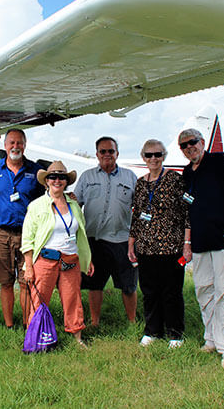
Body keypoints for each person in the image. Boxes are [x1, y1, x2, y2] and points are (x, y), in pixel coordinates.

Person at [178, 128, 224, 368]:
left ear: (202, 141)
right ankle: (211, 338)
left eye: (193, 142)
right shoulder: (187, 172)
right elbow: (188, 210)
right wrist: (187, 244)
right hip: (200, 245)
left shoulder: (220, 161)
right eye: (184, 146)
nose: (189, 148)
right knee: (204, 291)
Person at [21, 161, 94, 346]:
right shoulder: (37, 205)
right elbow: (27, 239)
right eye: (53, 177)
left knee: (73, 299)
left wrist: (88, 259)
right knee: (39, 301)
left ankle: (77, 336)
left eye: (61, 177)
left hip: (70, 260)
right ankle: (35, 338)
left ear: (66, 181)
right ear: (46, 181)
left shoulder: (74, 205)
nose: (57, 180)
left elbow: (81, 234)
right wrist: (29, 266)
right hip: (46, 259)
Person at [128, 139, 191, 348]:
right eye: (149, 155)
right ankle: (152, 331)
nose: (153, 159)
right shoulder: (140, 183)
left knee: (171, 291)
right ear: (143, 158)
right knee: (149, 291)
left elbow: (187, 212)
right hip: (146, 248)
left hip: (170, 246)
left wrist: (187, 242)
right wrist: (131, 243)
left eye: (157, 154)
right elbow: (136, 215)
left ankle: (175, 334)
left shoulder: (174, 179)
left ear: (164, 156)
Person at [0, 129, 44, 328]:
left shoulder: (34, 170)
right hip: (1, 233)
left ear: (24, 145)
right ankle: (9, 325)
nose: (15, 146)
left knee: (26, 281)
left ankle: (27, 324)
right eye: (11, 143)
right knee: (5, 281)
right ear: (5, 145)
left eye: (19, 143)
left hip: (28, 234)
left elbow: (47, 197)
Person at [74, 136, 138, 325]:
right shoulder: (87, 177)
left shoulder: (130, 177)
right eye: (103, 151)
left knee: (128, 285)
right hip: (95, 240)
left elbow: (141, 208)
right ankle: (94, 322)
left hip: (122, 240)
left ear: (117, 153)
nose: (107, 154)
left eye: (111, 151)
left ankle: (132, 322)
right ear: (97, 154)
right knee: (95, 284)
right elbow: (75, 203)